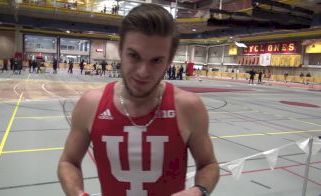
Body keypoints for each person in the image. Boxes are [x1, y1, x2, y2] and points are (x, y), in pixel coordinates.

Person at [58, 4, 219, 196]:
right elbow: (68, 162)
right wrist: (76, 193)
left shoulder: (188, 107)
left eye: (156, 61)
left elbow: (209, 164)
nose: (143, 72)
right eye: (134, 56)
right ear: (120, 50)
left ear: (169, 61)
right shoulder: (90, 105)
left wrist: (199, 191)